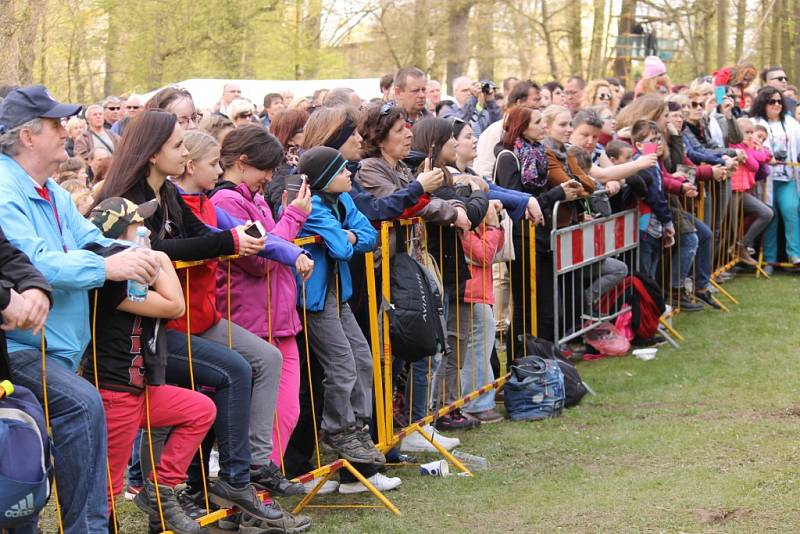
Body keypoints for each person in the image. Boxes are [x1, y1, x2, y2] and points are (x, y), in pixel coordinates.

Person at [94, 110, 309, 531]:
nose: (185, 153)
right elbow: (157, 253)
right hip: (143, 334)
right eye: (177, 146)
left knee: (260, 361)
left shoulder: (171, 194)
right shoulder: (126, 199)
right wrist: (226, 241)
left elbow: (197, 237)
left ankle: (241, 473)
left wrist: (240, 240)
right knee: (110, 476)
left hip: (181, 321)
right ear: (153, 154)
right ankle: (204, 484)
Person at [0, 84, 161, 534]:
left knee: (24, 461)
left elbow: (83, 237)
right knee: (79, 410)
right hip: (20, 346)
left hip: (56, 344)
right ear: (28, 136)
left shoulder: (46, 186)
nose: (65, 129)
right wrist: (110, 265)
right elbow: (31, 259)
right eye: (55, 124)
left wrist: (127, 253)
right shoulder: (4, 189)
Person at [85, 197, 216, 534]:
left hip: (138, 391)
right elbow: (174, 306)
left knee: (200, 410)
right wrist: (159, 257)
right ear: (120, 237)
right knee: (108, 492)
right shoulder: (111, 283)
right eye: (137, 226)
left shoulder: (126, 275)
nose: (145, 231)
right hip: (114, 395)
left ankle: (160, 488)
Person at [207, 126, 314, 480]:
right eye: (265, 168)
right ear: (242, 162)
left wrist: (287, 224)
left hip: (279, 320)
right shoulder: (226, 201)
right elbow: (257, 258)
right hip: (252, 322)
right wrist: (293, 218)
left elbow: (272, 244)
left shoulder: (252, 198)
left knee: (284, 416)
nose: (269, 177)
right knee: (263, 423)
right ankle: (248, 496)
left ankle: (261, 491)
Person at [295, 146, 386, 466]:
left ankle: (358, 423)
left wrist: (345, 236)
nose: (349, 174)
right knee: (341, 364)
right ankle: (338, 426)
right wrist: (347, 237)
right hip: (316, 298)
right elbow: (342, 249)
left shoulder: (343, 199)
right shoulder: (314, 206)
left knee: (362, 358)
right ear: (324, 178)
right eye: (341, 170)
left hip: (338, 292)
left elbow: (368, 237)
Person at [410, 117, 489, 430]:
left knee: (455, 344)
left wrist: (472, 192)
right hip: (437, 270)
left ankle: (446, 406)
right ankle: (431, 413)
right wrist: (476, 194)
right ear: (435, 143)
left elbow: (468, 207)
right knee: (441, 347)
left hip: (451, 269)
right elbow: (469, 211)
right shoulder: (430, 178)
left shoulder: (448, 177)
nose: (457, 144)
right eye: (451, 139)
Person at [493, 106, 584, 348]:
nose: (544, 126)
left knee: (545, 306)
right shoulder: (508, 157)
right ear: (522, 127)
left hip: (542, 235)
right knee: (525, 306)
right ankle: (519, 363)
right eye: (538, 121)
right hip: (522, 239)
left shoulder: (538, 153)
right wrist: (557, 193)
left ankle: (544, 360)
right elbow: (517, 201)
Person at [750, 87, 800, 269]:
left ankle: (795, 254)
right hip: (765, 180)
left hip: (788, 176)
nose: (777, 105)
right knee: (771, 217)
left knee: (791, 211)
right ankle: (769, 259)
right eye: (772, 101)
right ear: (763, 103)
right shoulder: (754, 122)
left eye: (779, 101)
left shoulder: (791, 122)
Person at [728, 117, 774, 267]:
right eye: (746, 132)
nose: (750, 135)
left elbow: (758, 161)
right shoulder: (734, 145)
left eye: (751, 132)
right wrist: (752, 153)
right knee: (729, 230)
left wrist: (756, 150)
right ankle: (715, 268)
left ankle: (741, 246)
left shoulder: (748, 147)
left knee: (766, 213)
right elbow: (755, 163)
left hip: (743, 191)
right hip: (732, 191)